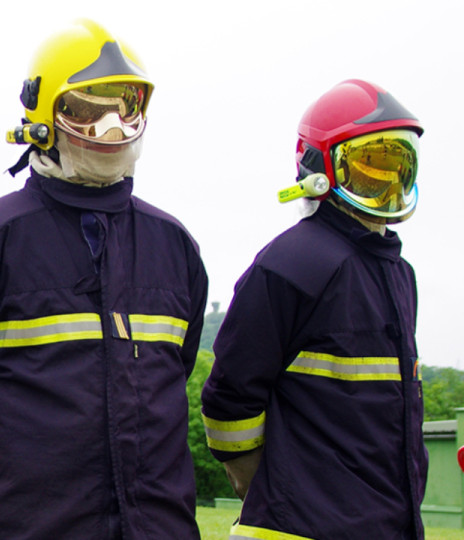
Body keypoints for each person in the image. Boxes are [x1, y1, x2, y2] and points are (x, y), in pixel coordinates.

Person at [0, 19, 208, 539]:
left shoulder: (175, 245)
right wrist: (6, 438)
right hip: (30, 525)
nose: (110, 126)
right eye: (88, 109)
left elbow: (170, 376)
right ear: (41, 114)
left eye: (125, 106)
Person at [201, 79, 426, 539]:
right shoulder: (291, 262)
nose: (385, 181)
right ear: (319, 167)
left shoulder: (400, 273)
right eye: (369, 165)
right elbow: (229, 394)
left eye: (397, 164)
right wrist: (260, 483)